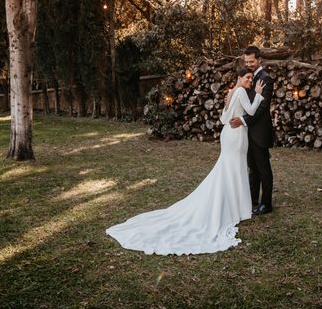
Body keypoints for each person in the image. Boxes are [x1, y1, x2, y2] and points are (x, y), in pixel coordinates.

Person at [106, 68, 266, 255]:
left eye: (251, 78)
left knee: (229, 169)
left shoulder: (231, 92)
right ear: (239, 78)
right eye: (247, 78)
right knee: (234, 169)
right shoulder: (240, 91)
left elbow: (223, 118)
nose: (250, 81)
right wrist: (259, 95)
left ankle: (236, 206)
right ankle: (237, 208)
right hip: (237, 136)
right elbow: (252, 111)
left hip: (228, 134)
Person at [230, 46, 275, 215]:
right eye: (246, 61)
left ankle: (266, 203)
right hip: (247, 132)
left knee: (263, 169)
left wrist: (242, 120)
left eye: (251, 61)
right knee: (252, 168)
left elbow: (262, 107)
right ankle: (252, 199)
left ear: (259, 60)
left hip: (260, 131)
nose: (249, 64)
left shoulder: (266, 79)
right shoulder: (248, 77)